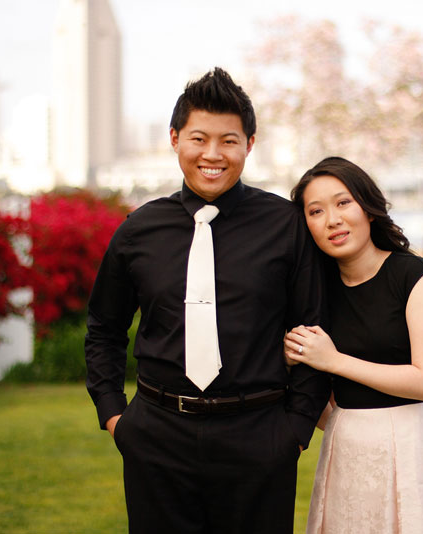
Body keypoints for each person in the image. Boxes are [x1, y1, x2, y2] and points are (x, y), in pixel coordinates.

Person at [85, 67, 331, 534]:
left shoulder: (285, 225)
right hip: (157, 435)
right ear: (175, 139)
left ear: (250, 144)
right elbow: (105, 329)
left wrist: (296, 430)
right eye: (199, 138)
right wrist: (114, 415)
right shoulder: (138, 231)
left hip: (260, 437)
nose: (213, 155)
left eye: (229, 141)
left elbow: (314, 324)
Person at [285, 156, 423, 533]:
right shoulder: (315, 294)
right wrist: (296, 364)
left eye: (343, 203)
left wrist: (333, 360)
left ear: (368, 209)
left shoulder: (414, 276)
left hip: (413, 444)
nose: (332, 220)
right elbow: (324, 403)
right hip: (347, 450)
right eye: (316, 211)